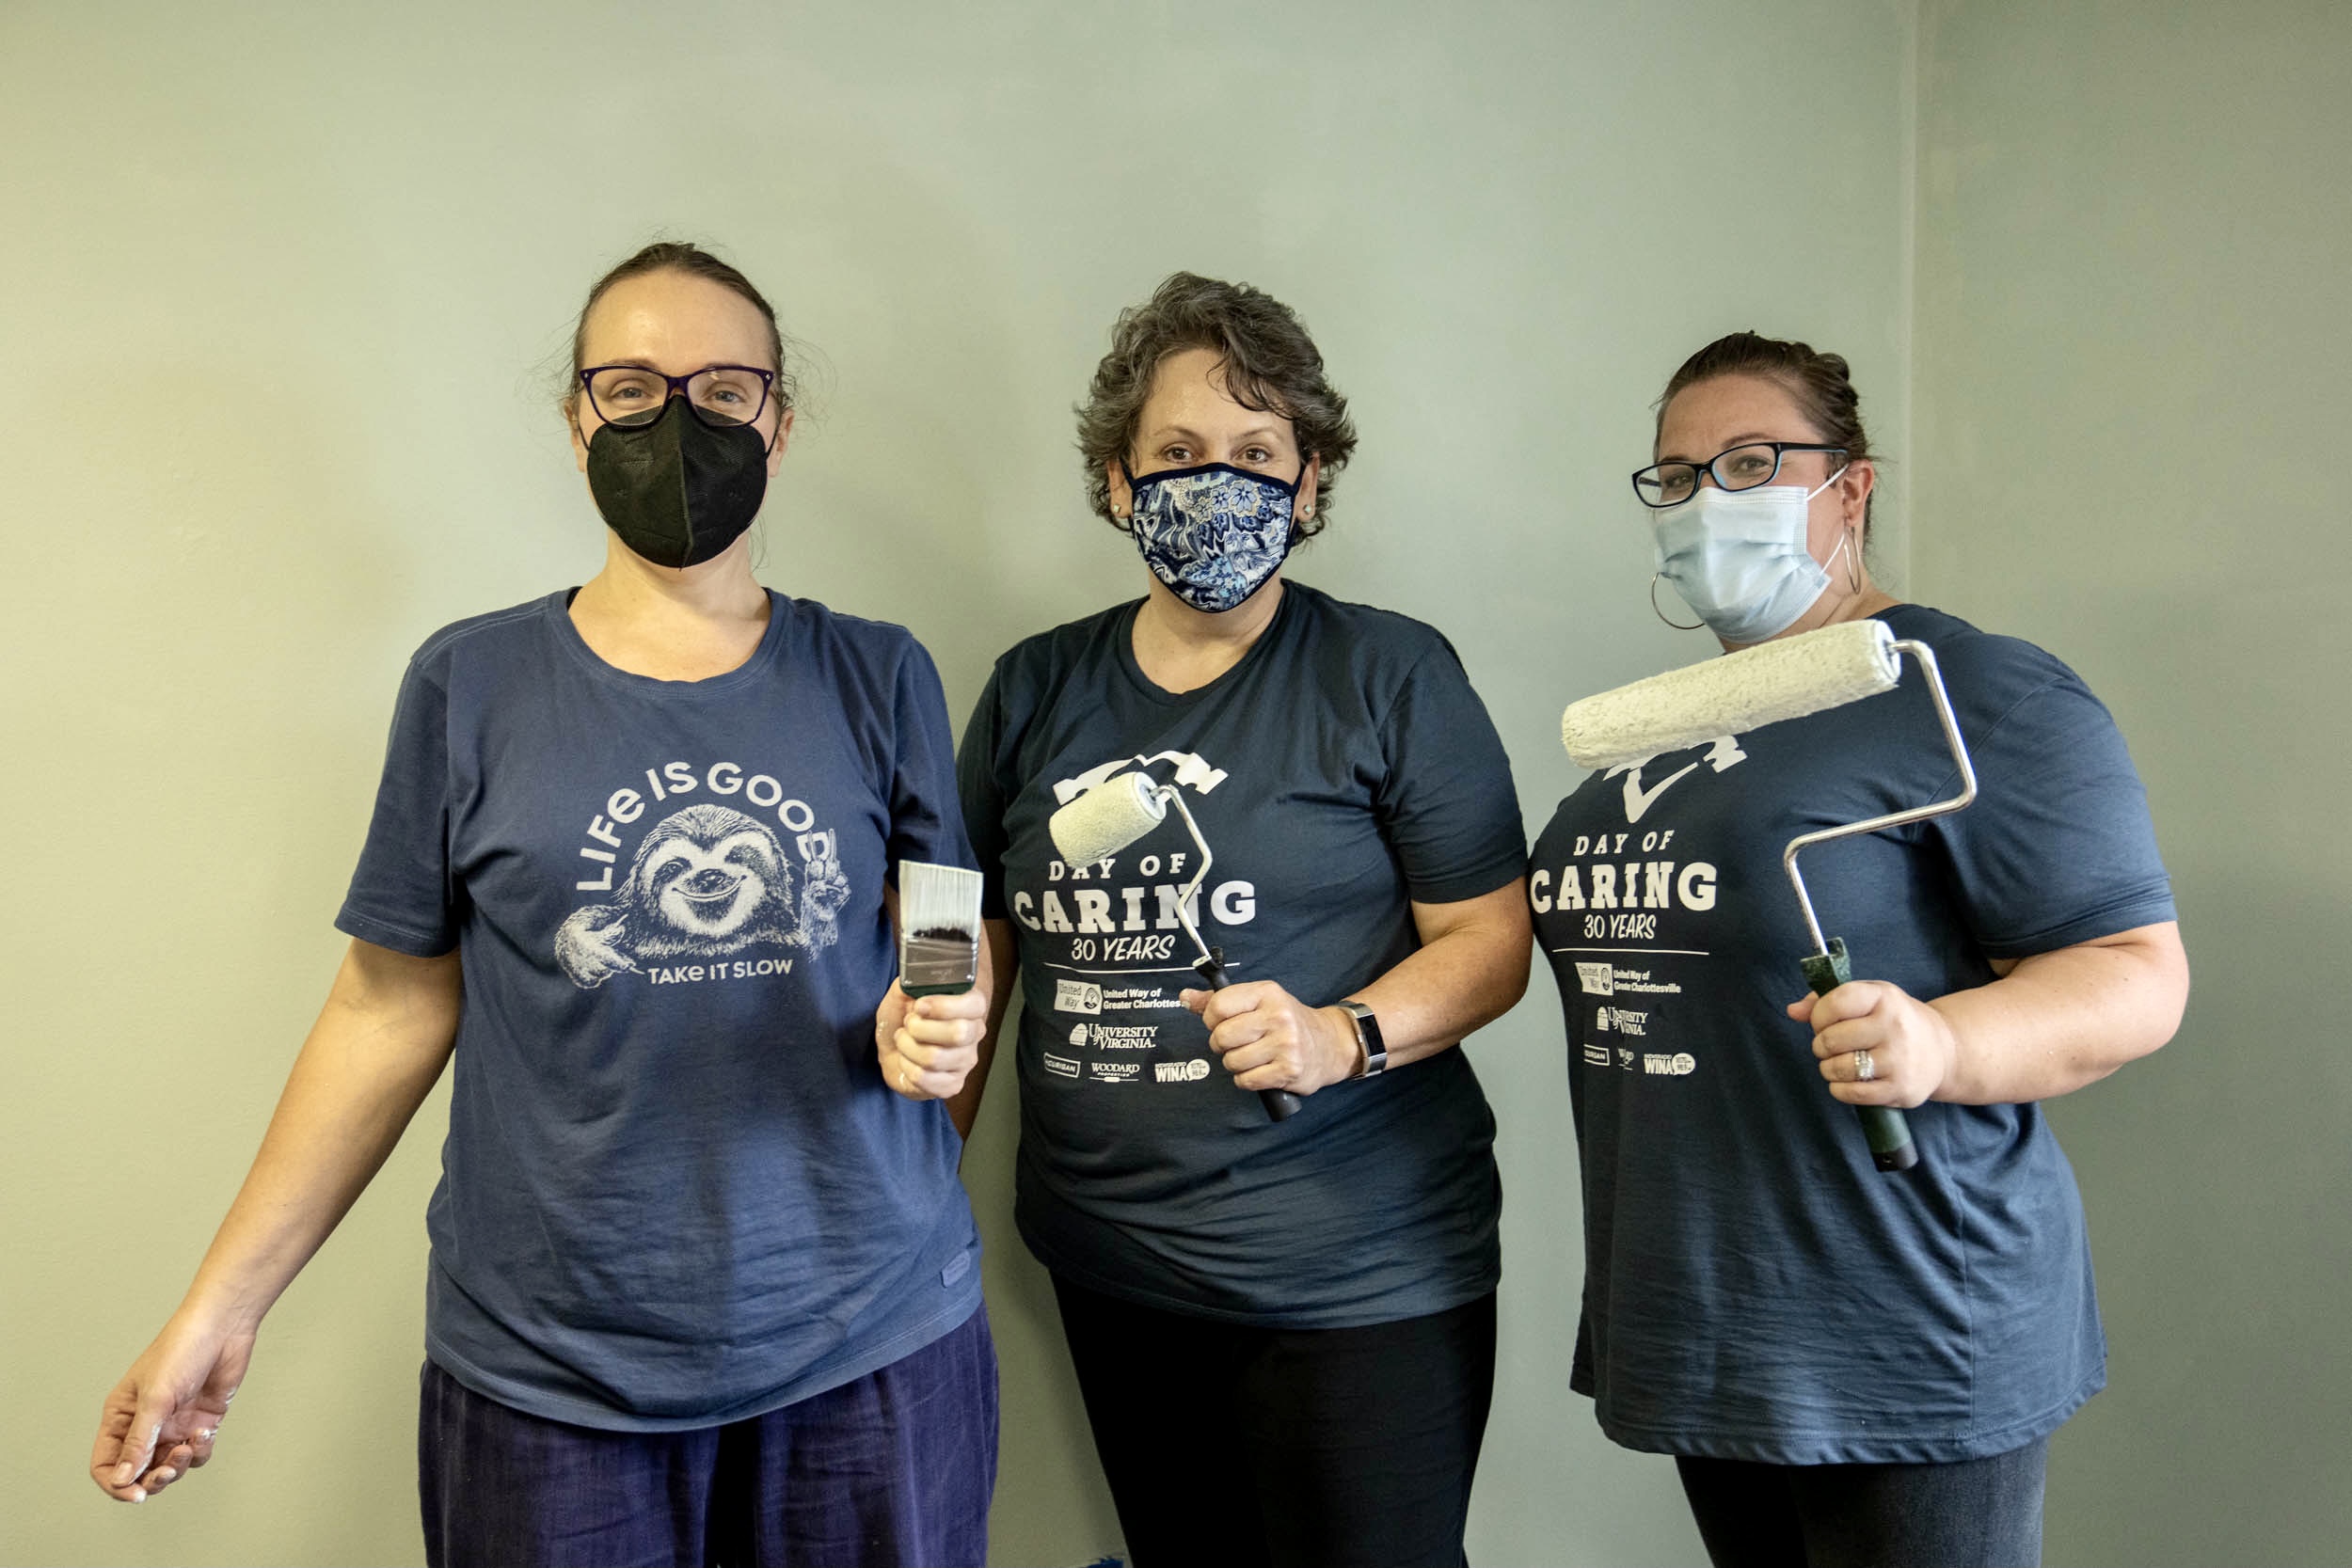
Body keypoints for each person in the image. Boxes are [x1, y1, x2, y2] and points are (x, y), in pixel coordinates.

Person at [87, 242, 999, 1568]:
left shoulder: (878, 670)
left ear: (780, 426)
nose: (676, 420)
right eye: (631, 388)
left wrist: (944, 1004)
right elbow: (385, 1010)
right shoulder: (471, 685)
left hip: (869, 1339)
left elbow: (941, 899)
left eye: (724, 390)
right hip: (551, 1377)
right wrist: (221, 1310)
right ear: (578, 421)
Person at [1531, 331, 2190, 1568]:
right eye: (1675, 478)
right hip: (1709, 1318)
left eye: (1748, 462)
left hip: (1903, 1325)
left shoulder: (1974, 692)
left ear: (1852, 487)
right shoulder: (1674, 733)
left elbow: (2137, 977)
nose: (1704, 502)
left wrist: (1943, 1039)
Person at [957, 272, 1533, 1568]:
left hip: (1357, 1281)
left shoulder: (1388, 674)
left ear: (1311, 481)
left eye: (1257, 452)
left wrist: (1345, 1035)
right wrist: (916, 1159)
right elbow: (958, 928)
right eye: (1177, 453)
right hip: (1112, 1268)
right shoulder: (1035, 688)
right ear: (1117, 478)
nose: (1215, 482)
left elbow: (1493, 945)